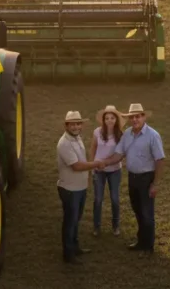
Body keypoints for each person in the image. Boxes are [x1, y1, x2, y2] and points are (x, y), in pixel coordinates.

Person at [100, 103, 166, 253]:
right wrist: (104, 162)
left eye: (138, 116)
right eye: (132, 117)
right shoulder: (127, 134)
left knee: (147, 213)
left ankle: (148, 247)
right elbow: (118, 155)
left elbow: (160, 160)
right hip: (133, 178)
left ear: (143, 117)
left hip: (146, 178)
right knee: (138, 210)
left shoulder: (153, 135)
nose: (135, 119)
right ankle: (141, 241)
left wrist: (155, 184)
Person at [56, 110, 102, 264]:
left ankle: (75, 247)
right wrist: (96, 164)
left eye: (78, 124)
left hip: (79, 188)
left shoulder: (77, 138)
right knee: (70, 222)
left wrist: (86, 181)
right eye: (72, 124)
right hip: (70, 190)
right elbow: (76, 166)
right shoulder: (64, 143)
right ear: (66, 126)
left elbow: (82, 160)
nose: (76, 127)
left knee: (76, 220)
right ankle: (68, 254)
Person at [90, 105, 124, 237]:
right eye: (107, 118)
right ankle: (96, 226)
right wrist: (92, 166)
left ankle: (115, 226)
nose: (109, 120)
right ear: (103, 120)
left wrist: (107, 162)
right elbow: (93, 148)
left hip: (115, 170)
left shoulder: (120, 134)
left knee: (115, 199)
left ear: (116, 119)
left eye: (112, 118)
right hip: (98, 170)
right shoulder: (97, 132)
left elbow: (120, 154)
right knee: (98, 199)